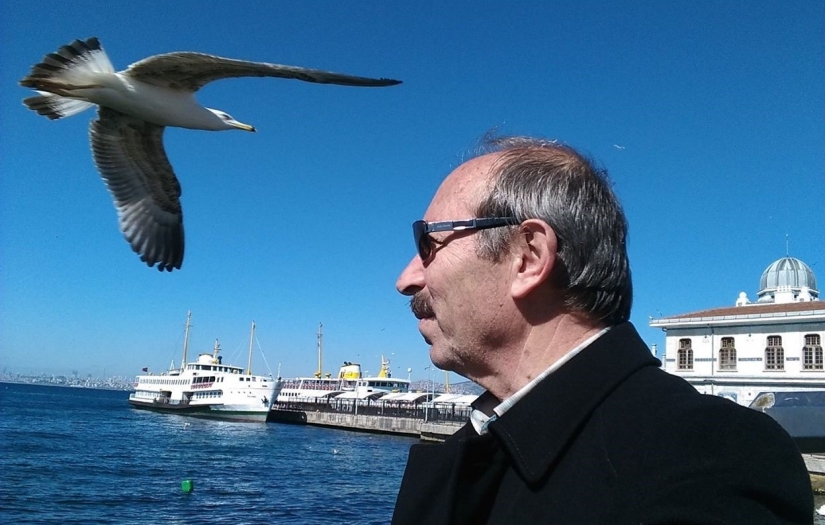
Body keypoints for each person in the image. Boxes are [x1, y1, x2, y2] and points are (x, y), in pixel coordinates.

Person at [391, 136, 814, 524]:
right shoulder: (485, 444)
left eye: (428, 243)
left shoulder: (708, 462)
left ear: (528, 256)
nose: (406, 279)